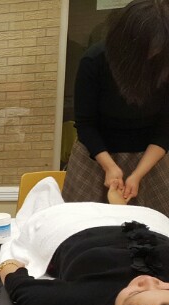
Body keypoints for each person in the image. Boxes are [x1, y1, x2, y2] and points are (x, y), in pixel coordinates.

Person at [0, 180, 169, 305]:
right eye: (165, 289)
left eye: (136, 292)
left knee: (43, 201)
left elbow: (20, 285)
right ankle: (118, 207)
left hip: (74, 226)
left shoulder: (79, 304)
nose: (147, 280)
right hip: (149, 222)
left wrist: (7, 264)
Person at [62, 0, 169, 215]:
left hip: (149, 157)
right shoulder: (95, 60)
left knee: (155, 224)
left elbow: (165, 129)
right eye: (146, 48)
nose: (150, 55)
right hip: (95, 154)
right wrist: (110, 167)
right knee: (84, 220)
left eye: (157, 49)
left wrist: (137, 175)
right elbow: (86, 124)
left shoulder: (164, 63)